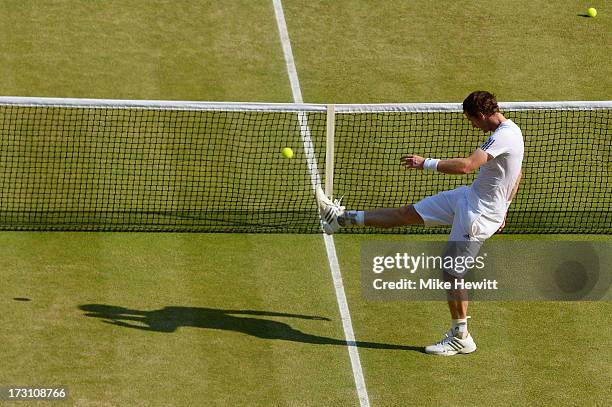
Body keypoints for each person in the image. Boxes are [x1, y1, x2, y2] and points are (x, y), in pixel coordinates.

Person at [316, 91, 524, 355]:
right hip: (468, 198)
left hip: (479, 216)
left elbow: (467, 166)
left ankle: (461, 337)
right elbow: (517, 172)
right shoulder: (511, 131)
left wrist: (425, 162)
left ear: (481, 115)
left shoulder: (503, 136)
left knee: (452, 271)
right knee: (408, 213)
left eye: (472, 120)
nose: (472, 125)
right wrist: (505, 206)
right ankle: (341, 218)